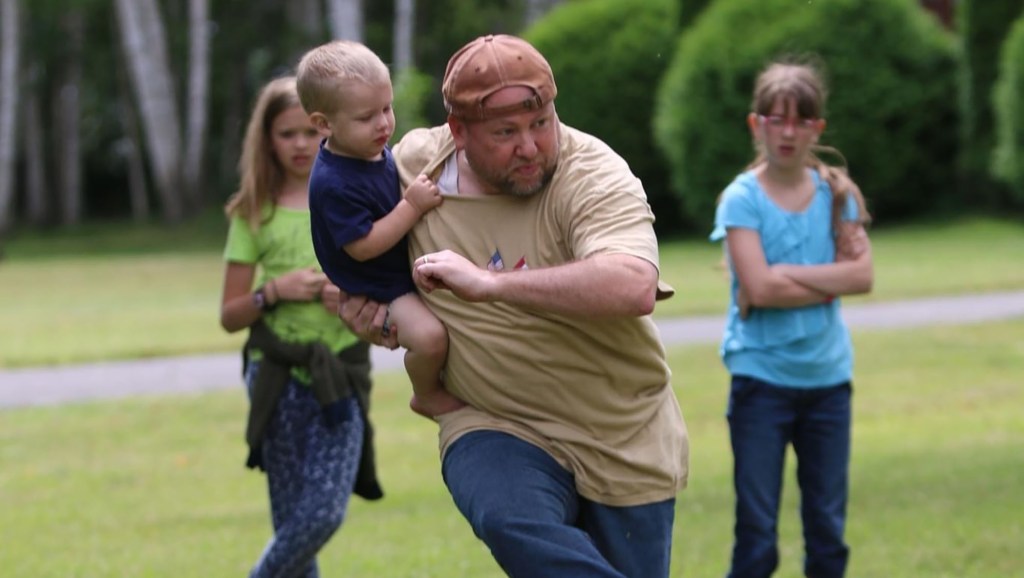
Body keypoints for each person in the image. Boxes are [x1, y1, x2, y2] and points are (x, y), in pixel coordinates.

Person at [339, 34, 689, 578]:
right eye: (505, 132)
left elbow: (632, 285)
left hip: (622, 433)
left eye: (541, 123)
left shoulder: (594, 174)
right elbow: (351, 236)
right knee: (511, 519)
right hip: (492, 422)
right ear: (457, 132)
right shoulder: (415, 167)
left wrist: (490, 285)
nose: (529, 147)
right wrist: (369, 310)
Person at [709, 59, 874, 578]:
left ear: (816, 128)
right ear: (755, 124)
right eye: (775, 119)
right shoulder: (741, 199)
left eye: (799, 121)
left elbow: (863, 277)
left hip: (828, 385)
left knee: (827, 531)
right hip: (761, 384)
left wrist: (787, 276)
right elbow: (758, 287)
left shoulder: (837, 194)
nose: (787, 132)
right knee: (756, 535)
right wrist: (827, 281)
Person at [219, 75, 382, 578]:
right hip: (277, 377)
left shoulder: (356, 197)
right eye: (286, 134)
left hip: (342, 376)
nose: (300, 145)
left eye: (309, 133)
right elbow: (230, 316)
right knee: (293, 525)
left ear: (327, 127)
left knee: (322, 514)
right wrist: (274, 293)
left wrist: (353, 294)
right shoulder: (253, 213)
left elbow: (389, 280)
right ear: (267, 139)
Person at [296, 40, 463, 419]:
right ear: (323, 124)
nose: (384, 123)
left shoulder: (368, 149)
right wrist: (413, 206)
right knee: (430, 339)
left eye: (387, 108)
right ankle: (427, 393)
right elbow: (363, 246)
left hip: (398, 268)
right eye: (366, 116)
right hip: (379, 286)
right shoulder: (334, 182)